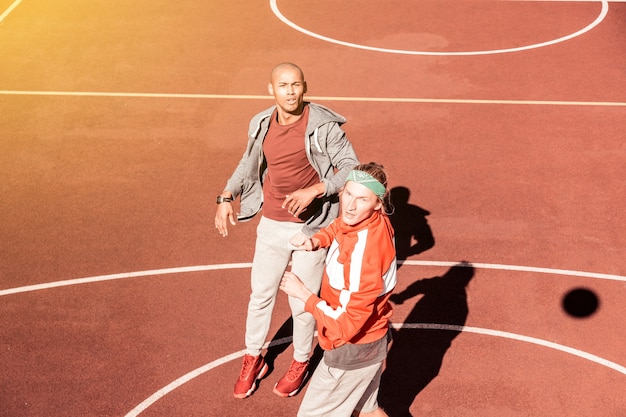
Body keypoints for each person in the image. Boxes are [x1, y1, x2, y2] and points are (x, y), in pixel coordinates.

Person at [214, 62, 359, 399]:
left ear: (304, 87)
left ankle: (301, 359)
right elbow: (247, 163)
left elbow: (352, 167)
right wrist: (225, 195)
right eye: (283, 85)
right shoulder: (261, 123)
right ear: (271, 90)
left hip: (312, 228)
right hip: (272, 224)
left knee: (301, 302)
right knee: (261, 294)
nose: (290, 91)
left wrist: (317, 189)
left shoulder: (323, 126)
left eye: (296, 85)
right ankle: (254, 357)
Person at [280, 162, 396, 417]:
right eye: (348, 194)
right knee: (366, 411)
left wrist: (304, 295)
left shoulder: (363, 257)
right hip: (371, 342)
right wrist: (315, 241)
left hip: (350, 350)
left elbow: (346, 324)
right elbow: (340, 225)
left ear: (378, 203)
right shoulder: (371, 220)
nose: (351, 206)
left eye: (362, 199)